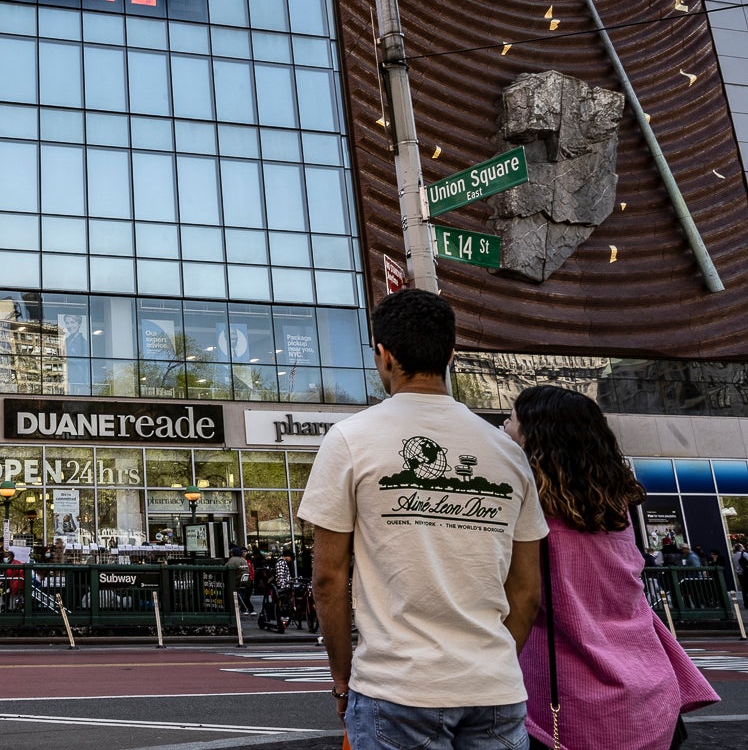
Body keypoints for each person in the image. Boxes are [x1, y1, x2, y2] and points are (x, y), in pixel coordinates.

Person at [300, 288, 547, 749]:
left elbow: (329, 580)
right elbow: (526, 591)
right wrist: (490, 665)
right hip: (495, 688)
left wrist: (341, 679)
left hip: (397, 686)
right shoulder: (508, 453)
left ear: (383, 354)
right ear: (451, 355)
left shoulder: (351, 439)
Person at [504, 385, 719, 748]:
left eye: (510, 420)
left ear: (534, 439)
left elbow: (523, 598)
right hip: (649, 697)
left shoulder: (529, 517)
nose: (504, 427)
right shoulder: (615, 511)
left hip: (571, 705)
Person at [226, 546, 253, 614]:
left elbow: (226, 567)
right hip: (246, 581)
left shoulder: (233, 560)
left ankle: (230, 607)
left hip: (237, 581)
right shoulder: (243, 560)